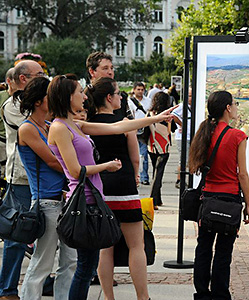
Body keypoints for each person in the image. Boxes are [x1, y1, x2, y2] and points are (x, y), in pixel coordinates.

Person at [46, 74, 175, 300]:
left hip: (96, 199)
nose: (84, 96)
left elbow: (118, 127)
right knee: (85, 266)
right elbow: (76, 171)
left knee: (88, 265)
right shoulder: (59, 127)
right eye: (79, 92)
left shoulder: (74, 124)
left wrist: (154, 119)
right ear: (68, 97)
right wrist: (106, 165)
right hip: (83, 201)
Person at [85, 77, 149, 300]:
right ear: (109, 98)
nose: (122, 97)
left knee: (106, 247)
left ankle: (109, 297)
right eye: (118, 93)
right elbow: (135, 157)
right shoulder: (123, 122)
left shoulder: (88, 122)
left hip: (99, 186)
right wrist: (135, 176)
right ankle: (142, 296)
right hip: (124, 184)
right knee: (135, 245)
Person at [188, 91, 249, 300]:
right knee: (224, 252)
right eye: (234, 104)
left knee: (203, 248)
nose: (236, 107)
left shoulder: (204, 131)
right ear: (227, 108)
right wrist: (248, 205)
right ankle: (220, 295)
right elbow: (242, 174)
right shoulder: (237, 136)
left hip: (207, 200)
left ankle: (201, 293)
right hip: (230, 200)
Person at [17, 77, 77, 300]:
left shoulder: (50, 126)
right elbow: (53, 161)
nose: (53, 100)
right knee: (42, 262)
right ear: (38, 101)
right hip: (46, 202)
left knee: (70, 261)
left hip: (64, 200)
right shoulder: (27, 129)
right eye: (49, 96)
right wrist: (78, 168)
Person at [0, 60, 46, 300]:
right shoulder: (12, 105)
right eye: (39, 74)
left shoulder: (38, 102)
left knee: (46, 235)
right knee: (17, 234)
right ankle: (7, 289)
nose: (44, 78)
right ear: (23, 79)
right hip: (21, 178)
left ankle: (44, 281)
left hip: (42, 177)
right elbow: (37, 128)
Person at [148, 92, 171, 209]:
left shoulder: (150, 113)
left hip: (151, 146)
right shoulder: (166, 115)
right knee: (158, 174)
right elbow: (170, 130)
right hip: (163, 147)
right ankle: (152, 200)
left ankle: (158, 198)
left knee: (155, 173)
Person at [128, 82, 151, 185]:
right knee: (132, 155)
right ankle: (134, 176)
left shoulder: (148, 101)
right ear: (134, 90)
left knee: (144, 155)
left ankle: (144, 177)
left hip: (144, 131)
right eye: (138, 89)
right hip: (132, 130)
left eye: (142, 89)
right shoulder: (129, 102)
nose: (140, 91)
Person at [172, 88, 191, 188]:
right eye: (189, 96)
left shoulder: (195, 106)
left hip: (191, 136)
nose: (191, 98)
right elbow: (173, 115)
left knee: (188, 159)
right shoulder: (182, 106)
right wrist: (181, 125)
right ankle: (179, 180)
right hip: (183, 137)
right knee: (184, 159)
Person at [0, 68, 17, 178]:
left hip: (16, 144)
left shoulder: (24, 99)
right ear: (9, 81)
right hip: (2, 142)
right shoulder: (1, 96)